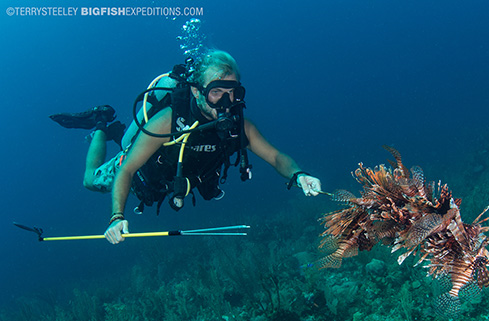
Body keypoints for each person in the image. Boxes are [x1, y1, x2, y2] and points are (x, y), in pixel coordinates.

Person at [50, 50, 322, 244]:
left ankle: (114, 130)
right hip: (144, 173)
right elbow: (128, 169)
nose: (226, 103)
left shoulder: (241, 126)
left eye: (233, 93)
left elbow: (275, 157)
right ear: (196, 91)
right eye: (216, 92)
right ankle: (100, 122)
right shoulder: (168, 121)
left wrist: (299, 175)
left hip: (170, 173)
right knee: (90, 180)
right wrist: (116, 217)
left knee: (135, 145)